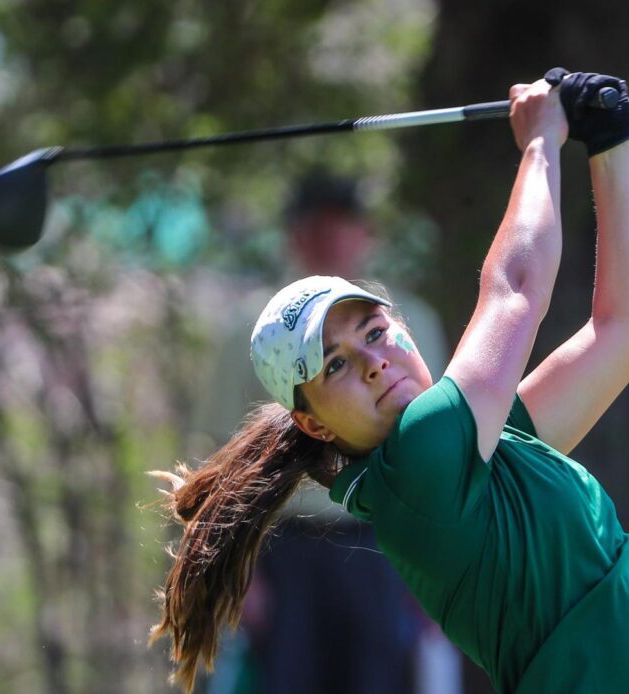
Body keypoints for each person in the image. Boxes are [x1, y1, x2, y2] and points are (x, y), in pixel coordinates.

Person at [152, 70, 629, 694]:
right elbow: (514, 291)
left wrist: (612, 139)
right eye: (334, 365)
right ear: (313, 423)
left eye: (372, 332)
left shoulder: (485, 446)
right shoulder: (422, 457)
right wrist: (540, 142)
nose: (371, 362)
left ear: (403, 329)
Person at [195, 171, 455, 694]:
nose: (330, 239)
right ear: (294, 236)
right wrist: (240, 575)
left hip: (386, 544)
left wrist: (438, 564)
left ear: (366, 233)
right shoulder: (254, 331)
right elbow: (218, 458)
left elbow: (442, 452)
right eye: (315, 227)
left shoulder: (410, 321)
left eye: (343, 225)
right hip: (285, 549)